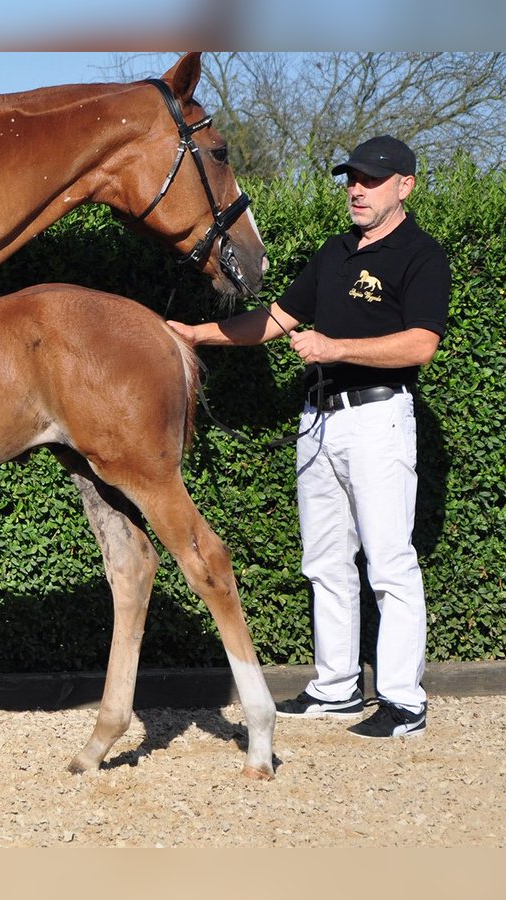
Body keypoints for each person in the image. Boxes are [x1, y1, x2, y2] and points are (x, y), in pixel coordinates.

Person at [167, 135, 450, 738]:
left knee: (389, 563)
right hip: (319, 420)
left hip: (378, 419)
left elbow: (422, 343)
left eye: (372, 180)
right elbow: (275, 319)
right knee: (325, 561)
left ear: (406, 186)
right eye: (352, 178)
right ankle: (336, 687)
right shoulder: (334, 253)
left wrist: (334, 347)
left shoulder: (421, 255)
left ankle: (404, 701)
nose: (357, 189)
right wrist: (195, 334)